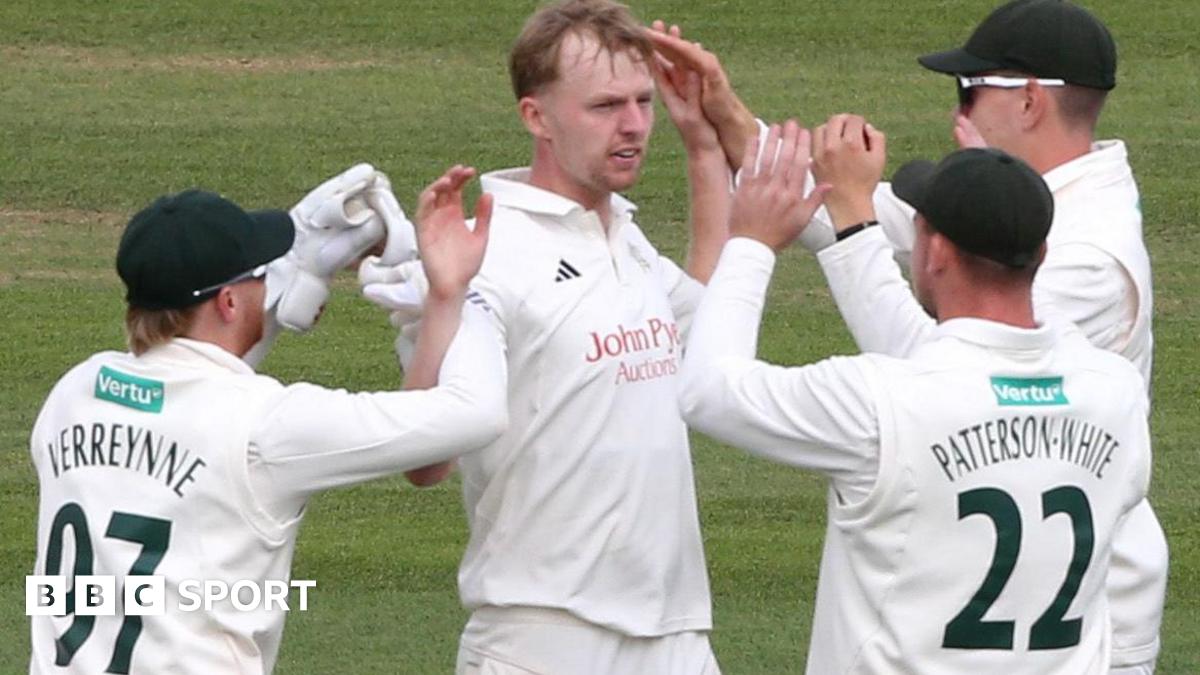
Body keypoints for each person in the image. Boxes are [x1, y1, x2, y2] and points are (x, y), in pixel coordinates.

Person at [648, 2, 1165, 670]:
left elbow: (944, 378)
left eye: (970, 89)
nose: (960, 107)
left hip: (1072, 602)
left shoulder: (1090, 256)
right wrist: (727, 114)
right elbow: (831, 204)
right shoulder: (1038, 211)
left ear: (1031, 100)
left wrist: (783, 240)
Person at [28, 165, 505, 674]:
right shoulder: (267, 426)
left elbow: (187, 387)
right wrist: (461, 293)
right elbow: (474, 413)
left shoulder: (75, 393)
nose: (267, 278)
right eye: (260, 273)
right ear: (230, 302)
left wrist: (298, 273)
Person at [375, 1, 729, 672]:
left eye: (643, 101)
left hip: (676, 633)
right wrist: (444, 298)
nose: (633, 125)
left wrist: (705, 147)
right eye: (604, 106)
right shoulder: (488, 252)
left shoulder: (622, 234)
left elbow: (709, 323)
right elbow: (426, 461)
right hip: (543, 635)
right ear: (536, 116)